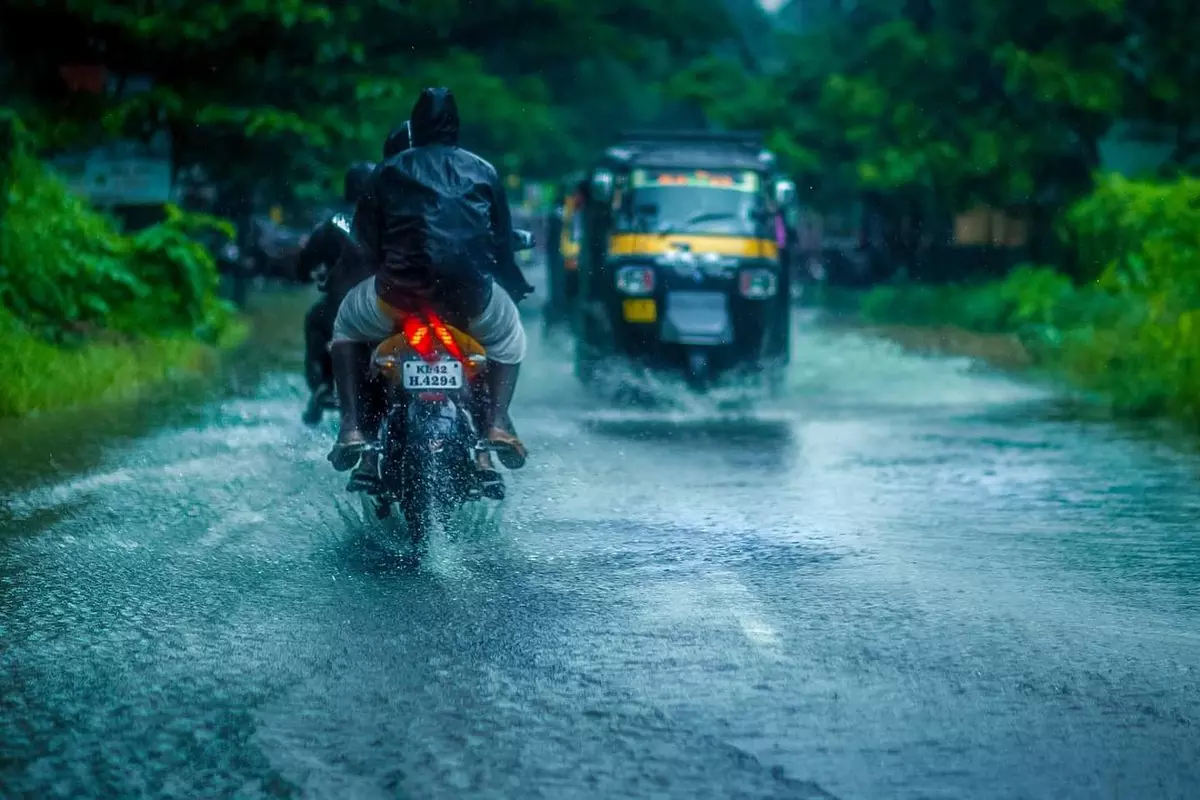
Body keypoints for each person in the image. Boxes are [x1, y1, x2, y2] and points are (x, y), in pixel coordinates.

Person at [328, 88, 534, 495]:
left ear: (416, 126)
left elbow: (364, 245)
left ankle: (350, 428)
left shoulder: (387, 171)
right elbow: (501, 245)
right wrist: (516, 285)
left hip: (398, 296)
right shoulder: (484, 170)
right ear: (455, 126)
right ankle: (497, 423)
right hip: (468, 299)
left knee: (345, 328)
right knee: (510, 336)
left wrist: (370, 271)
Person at [295, 123, 413, 426]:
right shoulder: (394, 217)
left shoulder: (332, 223)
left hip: (347, 309)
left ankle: (322, 385)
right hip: (395, 306)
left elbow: (304, 264)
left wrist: (308, 273)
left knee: (315, 319)